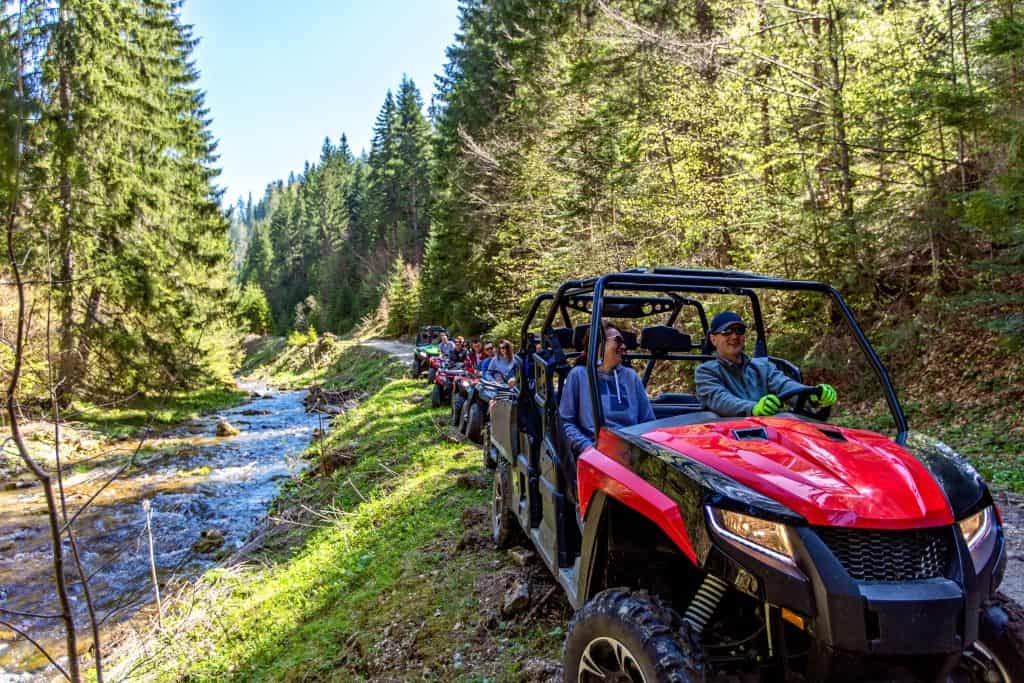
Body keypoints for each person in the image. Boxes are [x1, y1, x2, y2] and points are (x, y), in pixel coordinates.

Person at [694, 311, 838, 417]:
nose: (734, 336)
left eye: (739, 331)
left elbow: (784, 385)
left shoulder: (763, 367)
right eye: (726, 332)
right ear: (713, 339)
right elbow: (721, 400)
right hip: (726, 440)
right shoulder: (705, 372)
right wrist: (754, 408)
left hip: (766, 435)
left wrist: (811, 394)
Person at [559, 320, 655, 453]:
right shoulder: (579, 375)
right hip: (595, 450)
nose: (624, 347)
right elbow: (565, 422)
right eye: (618, 341)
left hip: (631, 450)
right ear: (600, 345)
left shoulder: (630, 376)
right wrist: (586, 447)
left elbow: (648, 421)